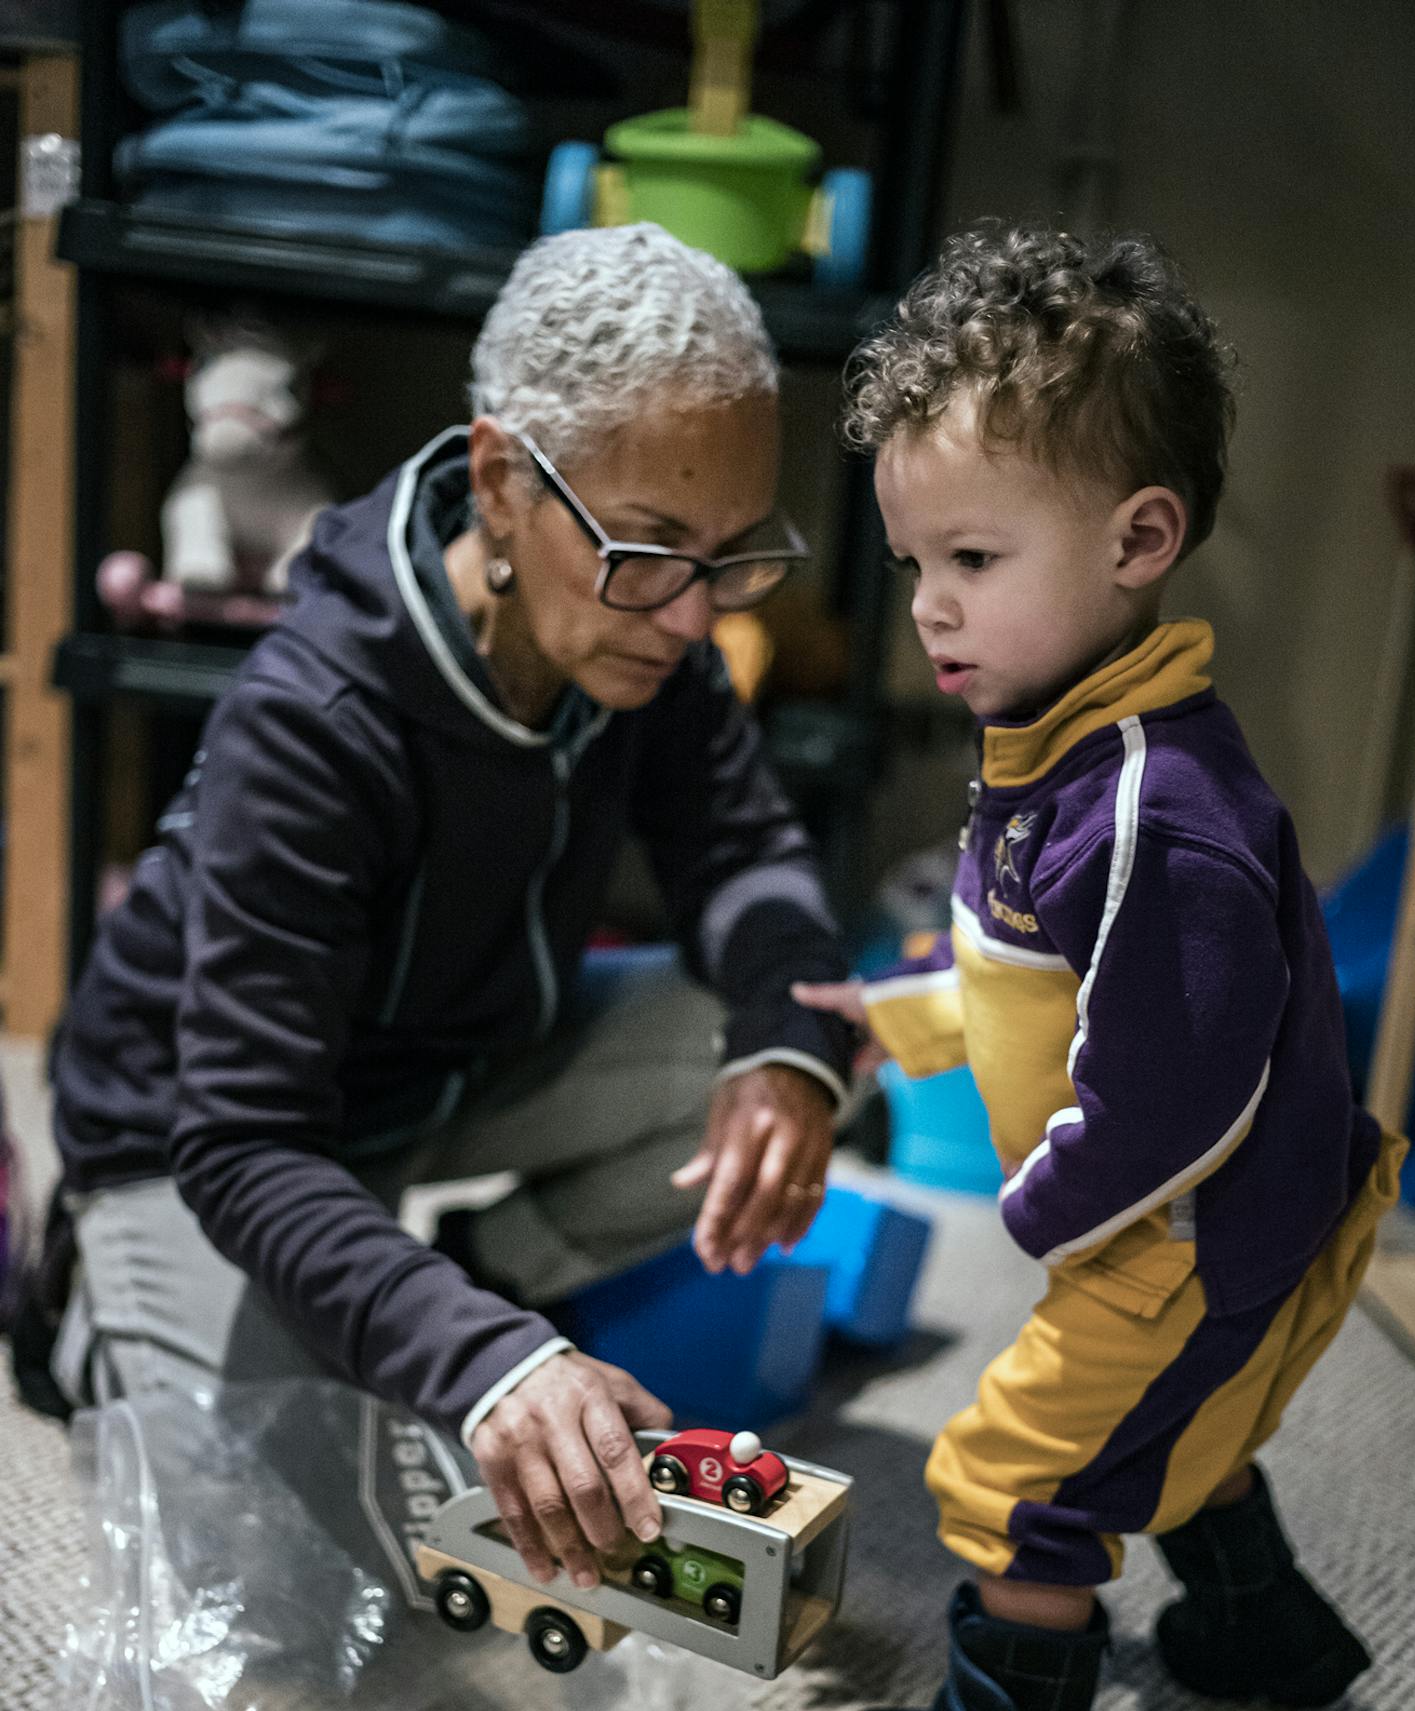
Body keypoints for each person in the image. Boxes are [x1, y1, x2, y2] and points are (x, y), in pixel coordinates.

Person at [47, 222, 855, 1596]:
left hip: (446, 1062)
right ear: (498, 481)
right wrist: (488, 1367)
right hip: (200, 1136)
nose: (692, 617)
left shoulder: (651, 627)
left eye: (731, 557)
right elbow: (244, 1139)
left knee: (791, 1035)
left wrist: (788, 1048)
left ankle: (462, 1282)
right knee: (277, 1581)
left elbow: (747, 853)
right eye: (648, 551)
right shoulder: (314, 719)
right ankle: (90, 1301)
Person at [794, 221, 1404, 1711]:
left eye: (974, 562)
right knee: (1175, 1435)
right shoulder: (1053, 749)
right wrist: (901, 1016)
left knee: (1017, 1472)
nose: (929, 608)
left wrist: (1039, 1211)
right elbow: (1025, 977)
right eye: (916, 563)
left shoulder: (1159, 809)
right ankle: (1264, 1627)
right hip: (1176, 1226)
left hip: (1183, 1229)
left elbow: (1175, 1087)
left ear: (1143, 536)